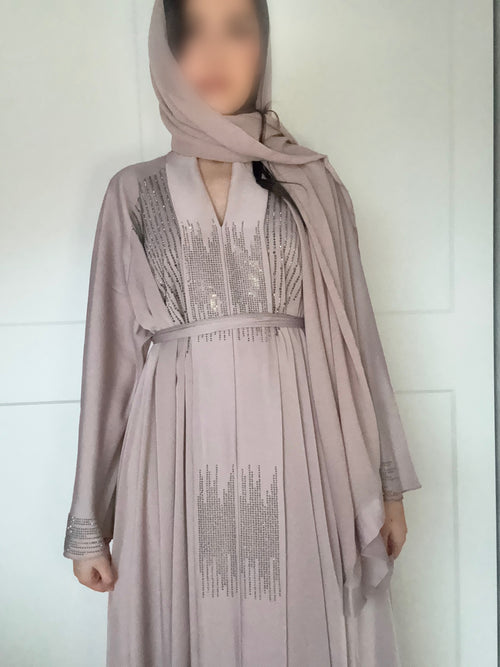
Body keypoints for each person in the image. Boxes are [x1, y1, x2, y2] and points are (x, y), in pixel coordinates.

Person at [63, 0, 422, 665]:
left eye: (237, 30)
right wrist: (91, 522)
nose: (214, 55)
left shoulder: (311, 184)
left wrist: (386, 487)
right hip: (175, 455)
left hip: (302, 449)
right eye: (192, 34)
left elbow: (357, 341)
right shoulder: (132, 194)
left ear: (263, 45)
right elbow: (107, 363)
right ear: (165, 53)